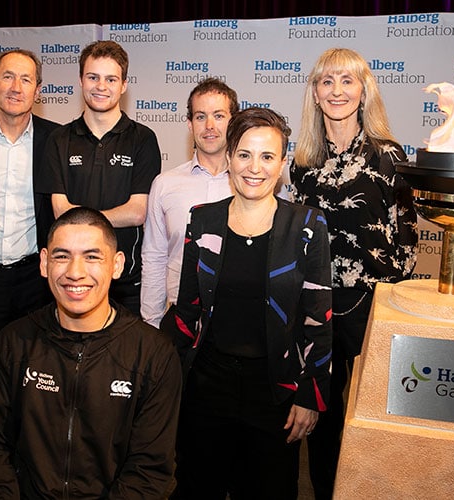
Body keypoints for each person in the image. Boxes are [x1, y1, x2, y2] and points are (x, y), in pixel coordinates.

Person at [163, 107, 332, 499]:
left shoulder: (306, 225)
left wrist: (311, 396)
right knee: (196, 487)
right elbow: (187, 309)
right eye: (244, 154)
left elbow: (318, 321)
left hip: (275, 391)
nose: (254, 167)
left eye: (267, 156)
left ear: (282, 163)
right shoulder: (203, 220)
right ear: (228, 158)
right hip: (207, 385)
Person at [0, 207, 182, 499]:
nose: (75, 272)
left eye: (92, 256)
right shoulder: (13, 342)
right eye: (61, 256)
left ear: (117, 265)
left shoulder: (153, 355)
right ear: (43, 263)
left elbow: (149, 470)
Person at [290, 47, 418, 499]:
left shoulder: (389, 156)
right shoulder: (302, 161)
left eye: (347, 81)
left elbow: (407, 239)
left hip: (373, 307)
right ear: (316, 93)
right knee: (321, 412)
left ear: (363, 90)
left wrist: (392, 302)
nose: (337, 91)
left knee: (377, 413)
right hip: (318, 307)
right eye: (327, 82)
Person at [38, 40, 161, 315]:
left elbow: (137, 212)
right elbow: (60, 210)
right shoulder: (59, 139)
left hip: (125, 280)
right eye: (93, 77)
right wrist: (107, 217)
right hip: (72, 280)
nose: (101, 86)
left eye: (111, 79)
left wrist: (81, 216)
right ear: (81, 81)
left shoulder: (143, 139)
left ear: (124, 84)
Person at [0, 49, 60, 377]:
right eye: (8, 76)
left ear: (38, 91)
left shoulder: (57, 139)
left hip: (35, 278)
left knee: (37, 373)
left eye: (26, 79)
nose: (16, 87)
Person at [140, 78, 238, 328]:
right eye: (200, 116)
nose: (209, 126)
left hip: (237, 317)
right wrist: (151, 322)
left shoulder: (255, 184)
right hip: (179, 318)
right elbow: (154, 257)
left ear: (233, 121)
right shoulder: (165, 184)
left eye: (219, 115)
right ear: (189, 123)